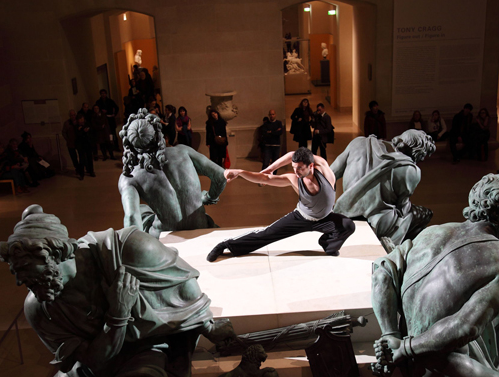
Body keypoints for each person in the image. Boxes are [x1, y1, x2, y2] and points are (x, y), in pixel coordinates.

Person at [0, 204, 235, 377]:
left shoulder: (128, 249)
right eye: (18, 274)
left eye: (28, 271)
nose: (22, 283)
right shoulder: (39, 307)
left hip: (146, 351)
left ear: (56, 254)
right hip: (92, 366)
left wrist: (207, 325)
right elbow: (93, 361)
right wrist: (118, 315)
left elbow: (185, 292)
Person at [371, 172, 499, 377]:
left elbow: (382, 272)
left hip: (409, 344)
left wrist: (391, 335)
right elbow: (465, 327)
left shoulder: (433, 232)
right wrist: (403, 348)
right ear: (497, 208)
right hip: (441, 368)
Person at [206, 147, 356, 262]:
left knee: (348, 225)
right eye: (293, 167)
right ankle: (226, 245)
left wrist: (272, 168)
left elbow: (293, 154)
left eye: (300, 168)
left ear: (311, 166)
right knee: (266, 234)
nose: (296, 171)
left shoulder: (324, 169)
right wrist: (240, 172)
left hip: (324, 219)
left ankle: (327, 244)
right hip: (301, 218)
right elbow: (265, 179)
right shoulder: (294, 179)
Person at [119, 109, 227, 238]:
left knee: (143, 211)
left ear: (129, 144)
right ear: (157, 134)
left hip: (165, 233)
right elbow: (220, 175)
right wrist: (210, 197)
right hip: (199, 226)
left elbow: (131, 218)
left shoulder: (130, 177)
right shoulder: (183, 151)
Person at [331, 130, 436, 247]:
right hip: (376, 221)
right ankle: (394, 251)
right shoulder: (409, 169)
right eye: (421, 157)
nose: (420, 161)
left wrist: (327, 207)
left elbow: (330, 174)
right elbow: (402, 207)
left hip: (343, 212)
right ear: (415, 153)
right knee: (418, 215)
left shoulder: (359, 142)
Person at [75, 113, 95, 180]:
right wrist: (81, 131)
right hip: (81, 145)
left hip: (88, 144)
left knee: (90, 158)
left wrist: (87, 131)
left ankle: (91, 171)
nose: (81, 120)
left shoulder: (87, 124)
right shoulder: (76, 126)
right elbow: (77, 136)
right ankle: (81, 174)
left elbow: (91, 131)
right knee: (82, 160)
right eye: (80, 119)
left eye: (82, 118)